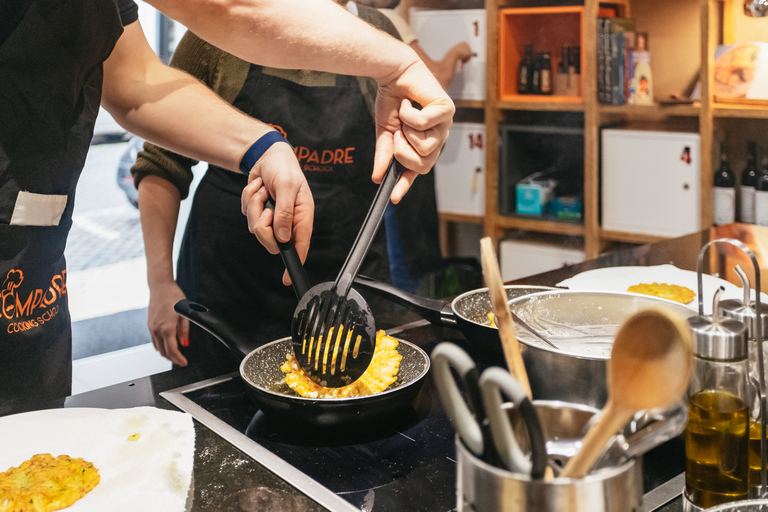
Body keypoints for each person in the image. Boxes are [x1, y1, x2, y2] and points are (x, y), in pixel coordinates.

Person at [0, 0, 454, 411]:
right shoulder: (222, 39)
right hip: (229, 288)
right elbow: (235, 8)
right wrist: (400, 64)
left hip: (31, 275)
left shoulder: (373, 33)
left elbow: (134, 82)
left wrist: (264, 145)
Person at [133, 1, 406, 367]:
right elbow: (162, 164)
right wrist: (161, 284)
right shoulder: (223, 27)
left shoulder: (380, 34)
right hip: (230, 289)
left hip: (346, 290)